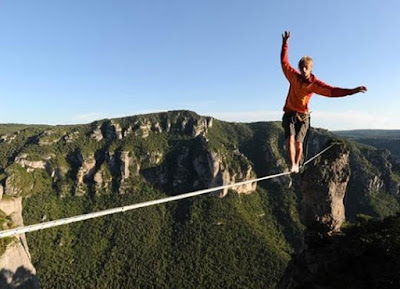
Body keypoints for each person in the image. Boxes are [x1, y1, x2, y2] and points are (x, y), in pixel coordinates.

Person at [281, 31, 367, 173]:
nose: (302, 70)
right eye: (301, 67)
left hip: (302, 116)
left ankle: (296, 163)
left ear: (310, 69)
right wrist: (285, 44)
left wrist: (352, 91)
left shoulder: (315, 84)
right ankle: (293, 165)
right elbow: (284, 62)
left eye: (305, 68)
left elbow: (333, 91)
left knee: (298, 142)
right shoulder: (293, 77)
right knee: (289, 139)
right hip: (290, 113)